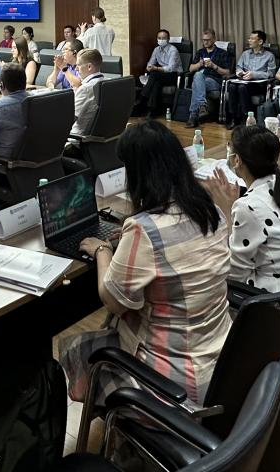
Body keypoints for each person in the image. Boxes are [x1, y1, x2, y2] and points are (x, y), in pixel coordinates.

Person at [59, 120, 231, 408]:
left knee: (83, 350)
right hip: (221, 363)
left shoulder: (144, 230)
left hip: (173, 385)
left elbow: (113, 300)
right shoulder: (210, 211)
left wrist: (102, 250)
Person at [202, 125, 280, 291]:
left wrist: (226, 212)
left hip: (276, 296)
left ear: (237, 160)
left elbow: (234, 275)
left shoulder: (248, 206)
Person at [225, 30, 277, 127]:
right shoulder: (245, 54)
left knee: (241, 88)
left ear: (260, 42)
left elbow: (271, 73)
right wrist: (240, 73)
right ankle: (233, 117)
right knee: (232, 86)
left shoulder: (269, 56)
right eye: (249, 38)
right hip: (244, 81)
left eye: (252, 39)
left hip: (258, 84)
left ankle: (247, 117)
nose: (249, 40)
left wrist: (254, 75)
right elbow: (238, 67)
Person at [186, 30, 232, 128]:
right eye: (204, 40)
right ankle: (202, 106)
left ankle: (193, 116)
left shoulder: (222, 53)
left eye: (208, 40)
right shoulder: (200, 52)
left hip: (214, 80)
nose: (205, 42)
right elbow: (190, 68)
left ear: (214, 39)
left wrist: (214, 66)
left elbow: (228, 73)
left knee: (196, 81)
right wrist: (199, 64)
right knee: (198, 77)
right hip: (200, 79)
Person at [135, 29, 182, 117]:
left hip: (174, 75)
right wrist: (149, 67)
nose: (161, 40)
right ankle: (152, 111)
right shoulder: (156, 50)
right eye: (159, 38)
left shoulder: (173, 50)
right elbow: (151, 62)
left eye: (163, 38)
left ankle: (141, 100)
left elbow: (170, 68)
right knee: (156, 83)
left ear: (168, 39)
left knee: (154, 75)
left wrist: (155, 68)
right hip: (161, 75)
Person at [70, 48, 105, 138]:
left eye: (78, 65)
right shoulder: (107, 82)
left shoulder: (85, 89)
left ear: (89, 67)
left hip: (76, 137)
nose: (76, 69)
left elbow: (70, 119)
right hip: (100, 136)